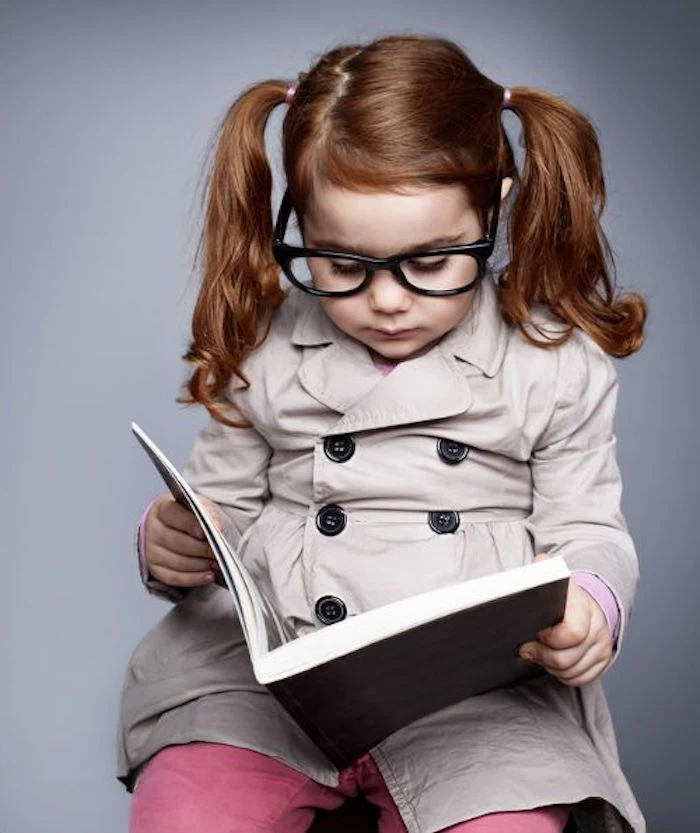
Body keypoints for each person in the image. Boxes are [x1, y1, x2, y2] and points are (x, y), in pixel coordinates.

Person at [117, 33, 648, 833]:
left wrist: (593, 607)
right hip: (268, 691)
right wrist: (170, 544)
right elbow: (214, 510)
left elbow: (588, 526)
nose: (388, 301)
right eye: (342, 263)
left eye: (430, 263)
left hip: (474, 700)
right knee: (184, 815)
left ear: (493, 206)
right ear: (297, 220)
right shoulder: (264, 344)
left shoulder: (552, 362)